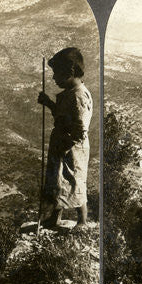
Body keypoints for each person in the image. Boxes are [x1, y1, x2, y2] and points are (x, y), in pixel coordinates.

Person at [37, 47, 92, 229]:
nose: (53, 78)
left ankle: (82, 220)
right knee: (57, 181)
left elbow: (80, 129)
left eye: (56, 74)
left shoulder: (79, 96)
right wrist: (49, 104)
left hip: (72, 148)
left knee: (75, 180)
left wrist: (66, 145)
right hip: (62, 144)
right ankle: (55, 217)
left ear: (69, 72)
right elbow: (61, 116)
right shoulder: (70, 94)